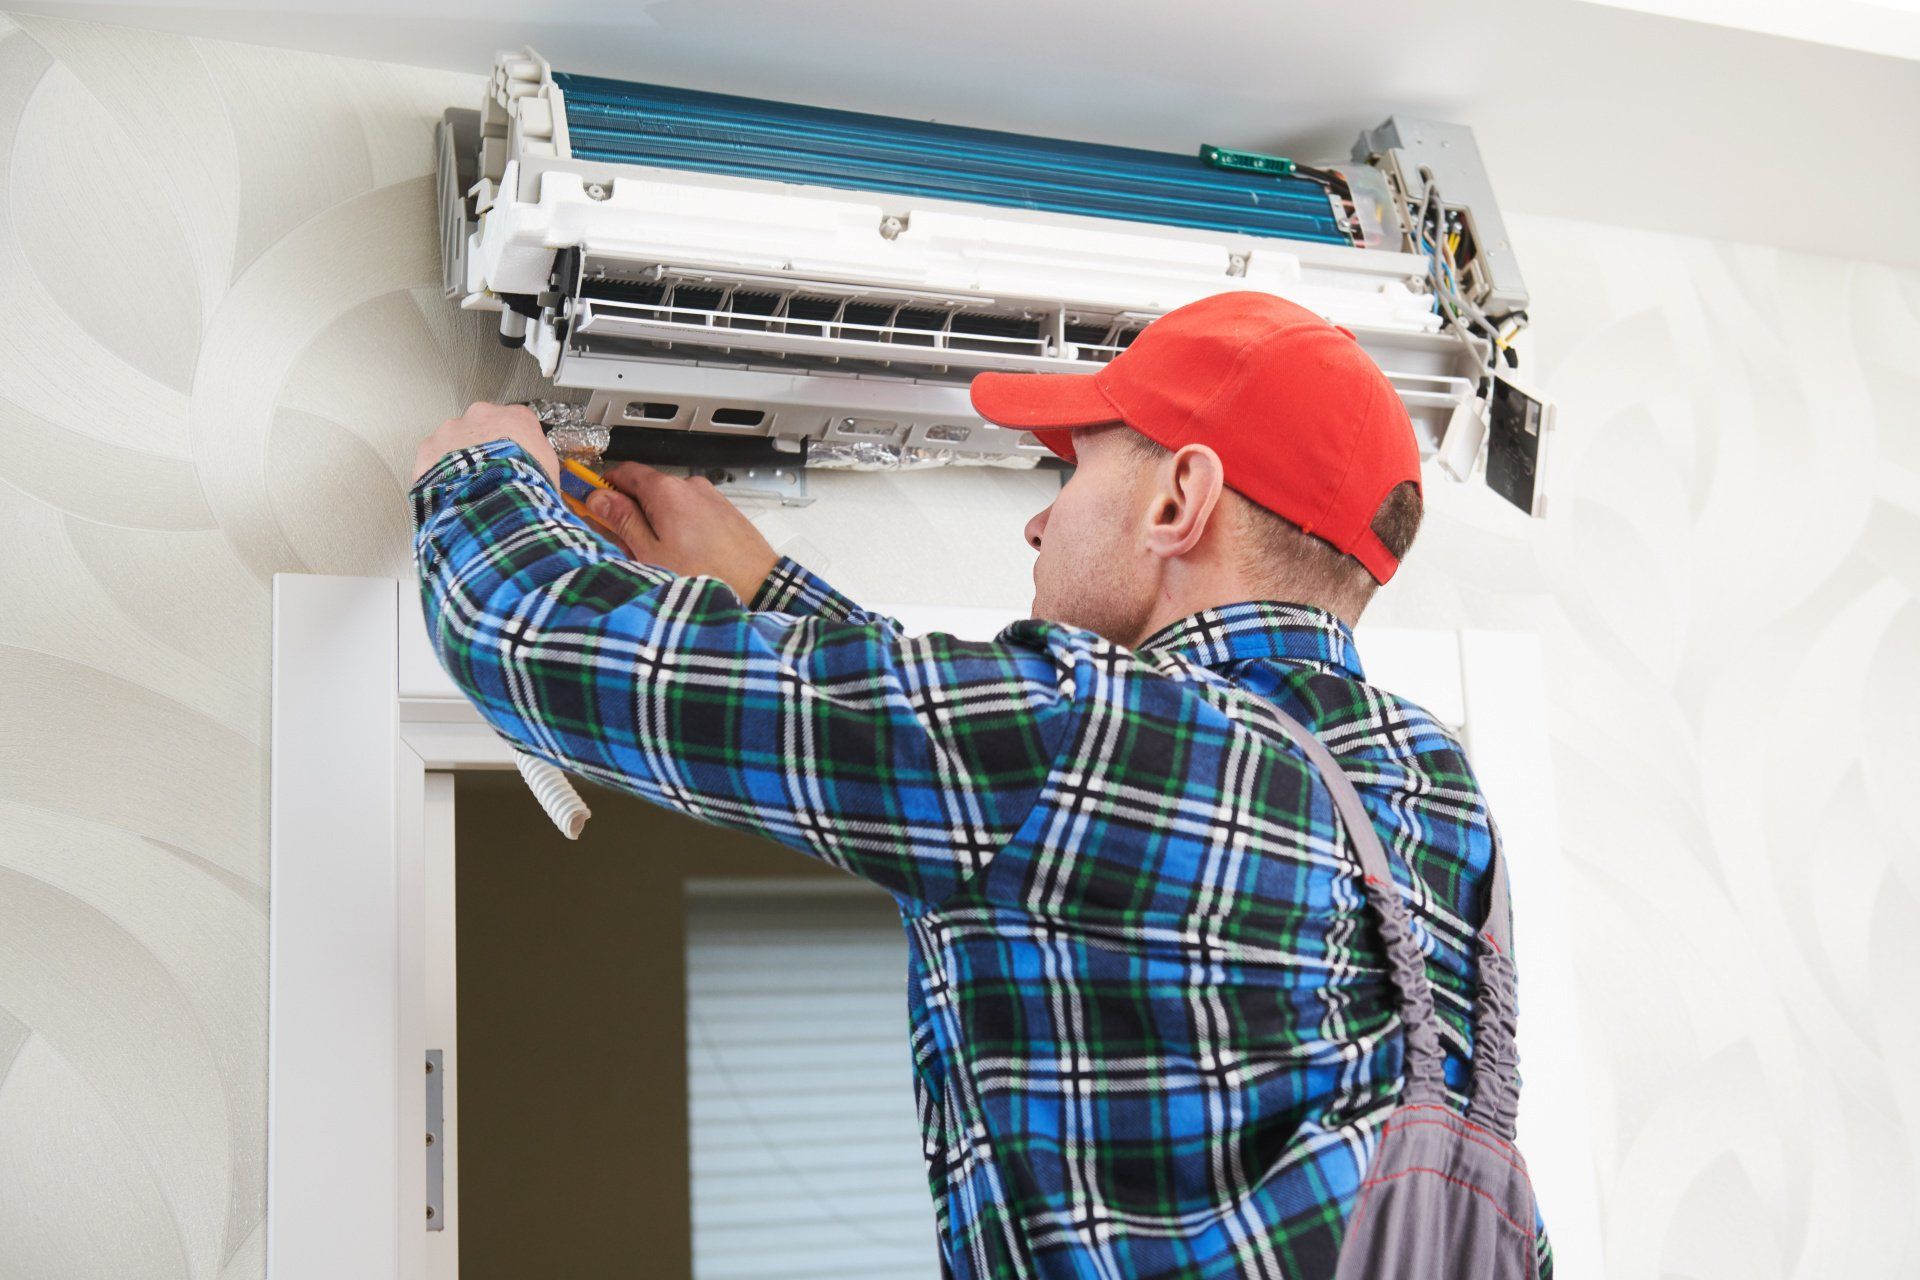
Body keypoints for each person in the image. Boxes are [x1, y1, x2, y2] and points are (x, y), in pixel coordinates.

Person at [408, 290, 1551, 1278]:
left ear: (1178, 501)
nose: (1040, 517)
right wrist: (764, 591)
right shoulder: (1430, 787)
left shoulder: (1090, 740)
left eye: (1077, 468)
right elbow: (1033, 832)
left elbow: (530, 636)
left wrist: (480, 471)